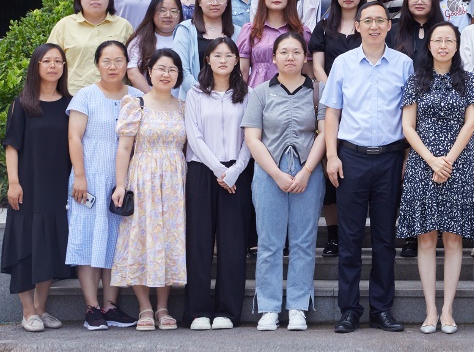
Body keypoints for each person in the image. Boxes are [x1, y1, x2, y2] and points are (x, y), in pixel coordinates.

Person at [323, 2, 415, 334]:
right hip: (351, 158)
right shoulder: (343, 63)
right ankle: (349, 310)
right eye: (368, 21)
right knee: (349, 239)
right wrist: (331, 155)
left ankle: (381, 309)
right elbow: (332, 112)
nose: (374, 26)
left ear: (389, 26)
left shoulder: (404, 64)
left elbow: (410, 115)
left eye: (380, 20)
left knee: (384, 239)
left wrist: (407, 158)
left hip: (390, 158)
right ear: (357, 26)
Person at [398, 22, 474, 334]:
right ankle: (430, 310)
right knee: (425, 238)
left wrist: (447, 160)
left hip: (457, 164)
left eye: (449, 40)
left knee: (453, 238)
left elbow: (471, 123)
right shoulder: (416, 80)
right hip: (422, 164)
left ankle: (448, 310)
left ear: (456, 45)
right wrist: (431, 160)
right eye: (438, 40)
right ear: (429, 45)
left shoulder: (469, 80)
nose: (443, 45)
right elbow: (408, 126)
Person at [242, 33, 325, 331]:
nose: (290, 57)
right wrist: (276, 174)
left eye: (296, 52)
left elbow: (324, 134)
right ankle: (268, 308)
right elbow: (252, 138)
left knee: (304, 241)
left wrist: (307, 171)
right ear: (274, 58)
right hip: (269, 172)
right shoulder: (260, 93)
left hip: (307, 171)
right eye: (284, 52)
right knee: (269, 242)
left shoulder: (318, 91)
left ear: (305, 57)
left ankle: (298, 307)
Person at [109, 49, 188, 332]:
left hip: (175, 182)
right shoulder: (136, 104)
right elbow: (124, 148)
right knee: (141, 239)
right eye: (161, 69)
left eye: (172, 70)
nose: (166, 74)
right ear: (150, 72)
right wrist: (120, 184)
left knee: (168, 239)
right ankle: (144, 306)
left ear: (178, 75)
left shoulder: (183, 107)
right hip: (143, 179)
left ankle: (163, 307)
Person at [65, 41, 141, 331]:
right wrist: (80, 176)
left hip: (124, 180)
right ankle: (91, 308)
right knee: (87, 238)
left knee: (115, 241)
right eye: (106, 61)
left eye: (118, 60)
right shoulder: (85, 96)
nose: (112, 67)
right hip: (90, 177)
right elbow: (74, 138)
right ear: (97, 64)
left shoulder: (137, 97)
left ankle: (110, 306)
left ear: (126, 64)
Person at [3, 44, 75, 333]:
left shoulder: (70, 103)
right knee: (26, 246)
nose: (53, 66)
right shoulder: (22, 103)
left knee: (49, 246)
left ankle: (41, 309)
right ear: (36, 66)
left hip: (57, 186)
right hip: (28, 186)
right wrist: (13, 182)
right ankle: (27, 312)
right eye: (47, 61)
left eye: (58, 61)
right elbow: (12, 146)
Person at [182, 37, 253, 330]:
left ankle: (227, 310)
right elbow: (194, 136)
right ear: (208, 60)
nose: (223, 60)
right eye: (217, 55)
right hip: (202, 170)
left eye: (229, 55)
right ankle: (197, 310)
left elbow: (251, 136)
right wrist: (218, 169)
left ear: (237, 60)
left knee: (233, 243)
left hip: (237, 172)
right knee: (199, 240)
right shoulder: (195, 93)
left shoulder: (247, 94)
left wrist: (235, 170)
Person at [308, 0, 366, 258]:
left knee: (355, 168)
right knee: (330, 163)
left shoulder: (367, 25)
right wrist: (336, 89)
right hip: (330, 101)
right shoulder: (324, 27)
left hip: (361, 104)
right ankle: (333, 237)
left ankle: (353, 232)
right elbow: (317, 67)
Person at [49, 0, 135, 95]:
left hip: (116, 97)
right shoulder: (64, 25)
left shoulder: (124, 26)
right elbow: (50, 62)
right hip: (73, 95)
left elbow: (134, 65)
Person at [237, 0, 309, 88]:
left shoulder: (301, 31)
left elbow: (307, 72)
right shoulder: (250, 30)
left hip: (292, 92)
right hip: (257, 90)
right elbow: (242, 71)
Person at [172, 0, 235, 98]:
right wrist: (204, 95)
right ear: (199, 1)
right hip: (193, 99)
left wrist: (224, 96)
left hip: (228, 99)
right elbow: (182, 70)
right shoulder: (185, 30)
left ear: (227, 1)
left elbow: (240, 70)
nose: (215, 3)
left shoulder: (237, 32)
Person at [125, 0, 182, 91]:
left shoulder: (187, 39)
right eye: (162, 10)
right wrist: (152, 97)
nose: (168, 15)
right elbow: (133, 73)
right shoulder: (140, 40)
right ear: (152, 12)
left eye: (173, 11)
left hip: (181, 99)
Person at [389, 0, 445, 64]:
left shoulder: (445, 31)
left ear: (433, 0)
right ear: (407, 0)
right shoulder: (393, 31)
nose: (419, 2)